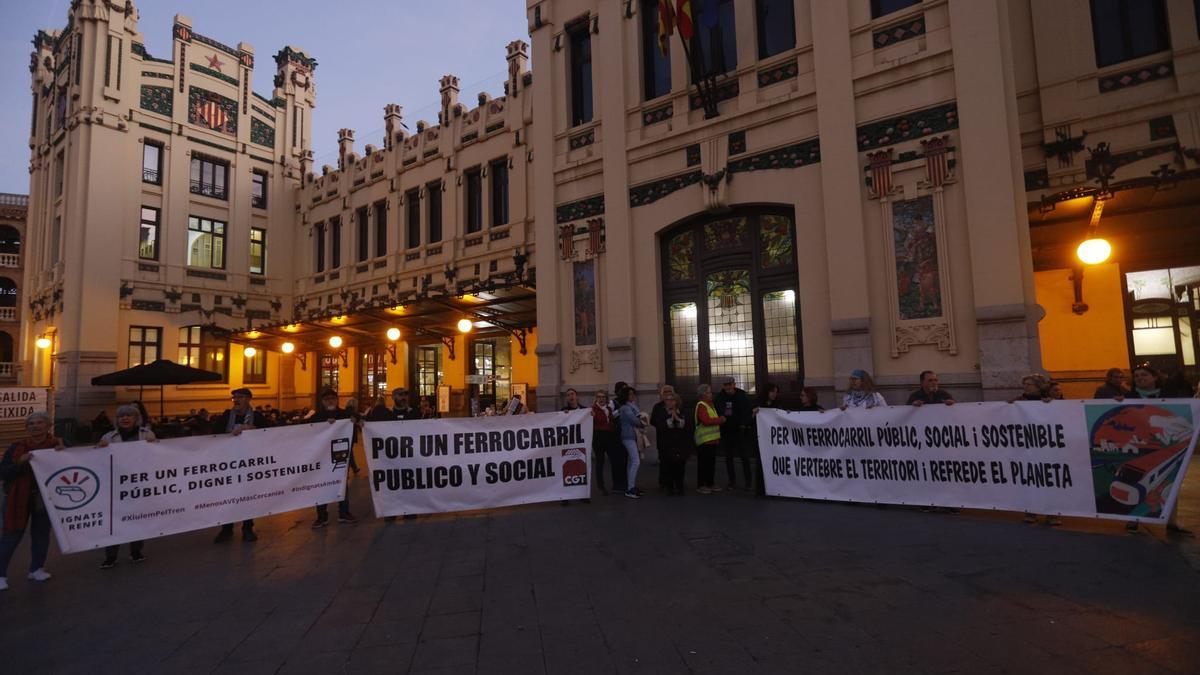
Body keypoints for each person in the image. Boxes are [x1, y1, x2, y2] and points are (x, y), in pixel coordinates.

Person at [0, 412, 65, 591]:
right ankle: (0, 574)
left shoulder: (57, 446)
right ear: (27, 428)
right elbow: (3, 472)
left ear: (48, 425)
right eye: (31, 423)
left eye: (39, 423)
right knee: (11, 536)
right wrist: (19, 463)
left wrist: (63, 455)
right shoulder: (17, 448)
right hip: (17, 498)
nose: (35, 426)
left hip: (44, 498)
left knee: (41, 534)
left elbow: (70, 468)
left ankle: (36, 569)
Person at [97, 404, 156, 568]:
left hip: (139, 484)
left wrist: (155, 444)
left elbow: (157, 456)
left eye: (129, 415)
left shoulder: (146, 434)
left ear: (136, 418)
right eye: (121, 416)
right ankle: (111, 556)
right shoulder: (109, 437)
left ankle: (136, 551)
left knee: (138, 518)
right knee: (114, 520)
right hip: (115, 485)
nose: (125, 418)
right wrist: (99, 448)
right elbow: (95, 459)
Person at [210, 388, 269, 543]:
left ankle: (247, 528)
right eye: (234, 397)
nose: (236, 400)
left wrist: (252, 429)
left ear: (249, 399)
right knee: (227, 496)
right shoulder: (226, 416)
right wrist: (230, 434)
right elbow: (213, 434)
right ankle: (226, 528)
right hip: (228, 463)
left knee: (247, 496)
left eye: (240, 397)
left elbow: (273, 431)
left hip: (249, 463)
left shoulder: (257, 417)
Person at [309, 388, 358, 528]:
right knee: (321, 484)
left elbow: (358, 418)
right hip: (322, 456)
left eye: (332, 398)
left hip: (340, 455)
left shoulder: (345, 414)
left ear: (337, 400)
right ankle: (321, 516)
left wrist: (355, 419)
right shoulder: (317, 416)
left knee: (342, 484)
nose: (330, 401)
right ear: (322, 402)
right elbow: (307, 430)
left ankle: (344, 512)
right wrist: (325, 423)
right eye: (327, 399)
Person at [714, 377, 753, 491]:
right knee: (729, 457)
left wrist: (744, 424)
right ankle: (732, 481)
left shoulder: (742, 395)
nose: (728, 387)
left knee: (744, 457)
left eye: (730, 384)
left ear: (734, 384)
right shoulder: (720, 397)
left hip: (740, 430)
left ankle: (748, 482)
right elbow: (717, 410)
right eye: (726, 385)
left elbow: (747, 411)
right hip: (727, 430)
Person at [653, 391, 691, 495]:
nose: (669, 402)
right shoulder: (661, 412)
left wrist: (678, 420)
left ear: (676, 401)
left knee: (680, 467)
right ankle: (670, 488)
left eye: (671, 400)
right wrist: (669, 421)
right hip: (667, 444)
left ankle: (680, 487)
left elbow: (688, 425)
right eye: (667, 400)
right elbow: (659, 425)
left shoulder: (683, 411)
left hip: (680, 444)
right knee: (669, 466)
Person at [694, 384, 725, 494]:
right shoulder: (701, 405)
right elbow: (706, 421)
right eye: (709, 392)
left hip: (712, 440)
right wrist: (720, 420)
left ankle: (710, 483)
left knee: (711, 464)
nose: (711, 394)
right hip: (704, 440)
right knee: (703, 464)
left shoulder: (710, 404)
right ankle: (701, 485)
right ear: (703, 394)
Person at [591, 390, 623, 495]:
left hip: (609, 437)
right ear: (596, 398)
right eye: (599, 397)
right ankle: (601, 486)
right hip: (598, 438)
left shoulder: (608, 409)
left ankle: (617, 484)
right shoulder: (593, 410)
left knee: (614, 460)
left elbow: (611, 421)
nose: (601, 399)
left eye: (603, 397)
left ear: (606, 398)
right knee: (600, 462)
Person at [616, 387, 645, 499]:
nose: (633, 396)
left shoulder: (630, 406)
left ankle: (631, 486)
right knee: (636, 461)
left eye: (633, 393)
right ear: (625, 396)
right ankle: (630, 489)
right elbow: (635, 420)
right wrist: (643, 422)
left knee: (632, 462)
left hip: (630, 436)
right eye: (630, 394)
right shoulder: (626, 408)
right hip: (628, 436)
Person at [648, 385, 676, 492]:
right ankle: (663, 482)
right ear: (662, 394)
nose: (668, 394)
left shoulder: (677, 405)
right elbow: (653, 421)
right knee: (664, 461)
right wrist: (663, 424)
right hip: (663, 438)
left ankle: (674, 481)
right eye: (665, 392)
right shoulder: (657, 407)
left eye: (670, 392)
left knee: (675, 461)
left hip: (675, 438)